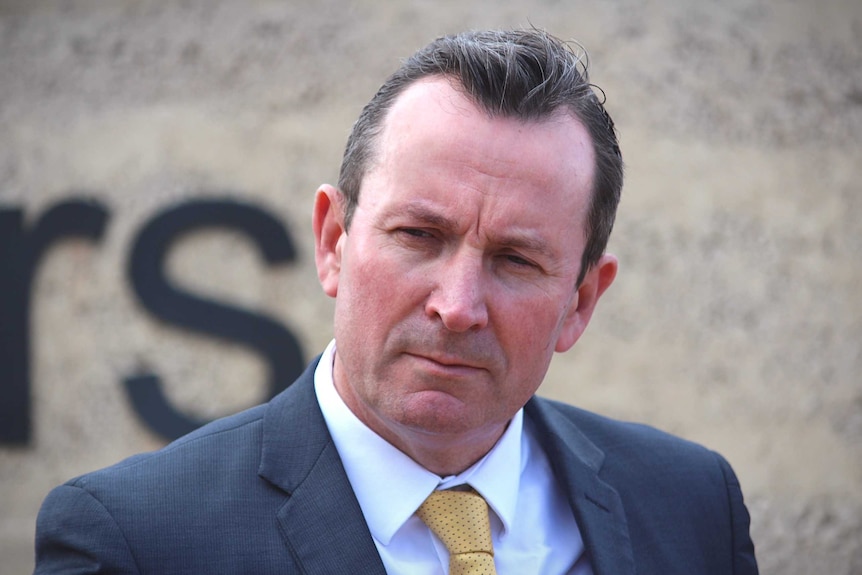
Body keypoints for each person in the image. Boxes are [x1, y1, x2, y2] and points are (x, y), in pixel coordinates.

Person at [34, 28, 758, 574]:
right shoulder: (135, 539)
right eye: (419, 234)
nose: (458, 305)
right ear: (332, 242)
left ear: (580, 302)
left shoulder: (692, 507)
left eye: (514, 258)